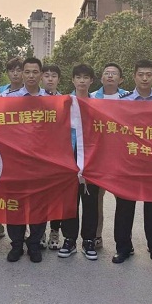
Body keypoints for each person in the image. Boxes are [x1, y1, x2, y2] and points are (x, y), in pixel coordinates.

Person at [112, 59, 152, 268]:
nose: (144, 78)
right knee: (124, 207)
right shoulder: (123, 101)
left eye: (148, 74)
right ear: (134, 76)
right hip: (129, 162)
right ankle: (123, 248)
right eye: (141, 74)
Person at [4, 57, 48, 262]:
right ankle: (16, 244)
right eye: (27, 72)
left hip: (41, 162)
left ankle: (34, 243)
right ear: (22, 74)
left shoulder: (52, 100)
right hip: (15, 161)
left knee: (38, 204)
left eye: (35, 72)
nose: (31, 76)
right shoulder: (7, 98)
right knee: (15, 203)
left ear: (41, 74)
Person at [58, 64, 99, 261]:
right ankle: (69, 239)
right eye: (78, 77)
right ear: (73, 80)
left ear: (91, 81)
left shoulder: (99, 104)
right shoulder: (64, 102)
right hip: (69, 154)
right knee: (69, 199)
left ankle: (89, 240)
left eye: (86, 77)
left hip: (92, 156)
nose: (82, 81)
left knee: (90, 199)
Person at [90, 63, 129, 250]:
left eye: (114, 73)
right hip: (98, 158)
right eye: (107, 73)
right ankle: (96, 236)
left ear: (121, 79)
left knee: (124, 201)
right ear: (101, 78)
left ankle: (124, 242)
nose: (110, 76)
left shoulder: (129, 98)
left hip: (122, 158)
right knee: (96, 200)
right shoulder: (90, 98)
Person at [39, 63, 64, 250]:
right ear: (42, 78)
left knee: (56, 197)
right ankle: (39, 232)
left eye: (53, 76)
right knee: (40, 197)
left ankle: (55, 232)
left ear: (58, 79)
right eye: (46, 75)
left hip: (58, 157)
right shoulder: (33, 100)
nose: (50, 79)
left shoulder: (65, 101)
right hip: (37, 156)